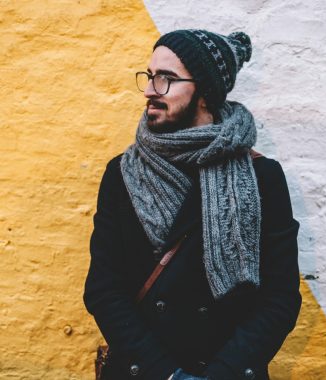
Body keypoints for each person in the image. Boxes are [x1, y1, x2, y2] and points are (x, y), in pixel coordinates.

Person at [84, 29, 301, 380]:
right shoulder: (123, 174)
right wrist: (168, 374)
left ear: (205, 91)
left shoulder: (263, 177)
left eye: (166, 79)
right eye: (150, 76)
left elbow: (280, 298)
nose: (150, 90)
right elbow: (103, 289)